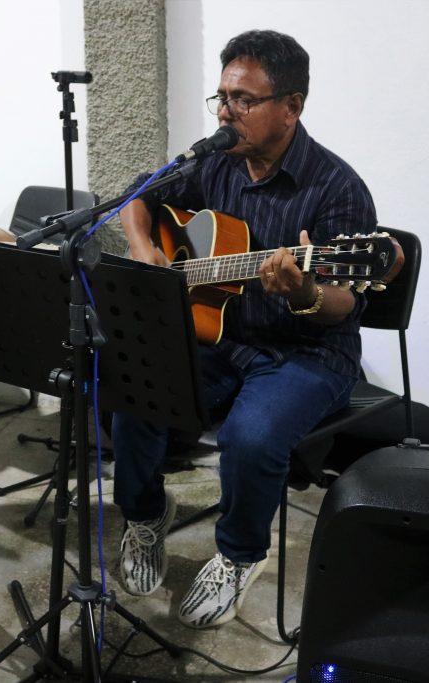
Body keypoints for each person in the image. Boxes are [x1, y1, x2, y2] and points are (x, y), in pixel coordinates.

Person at [112, 29, 379, 629]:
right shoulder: (216, 161)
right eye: (223, 97)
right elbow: (138, 194)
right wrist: (144, 248)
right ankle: (146, 515)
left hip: (308, 352)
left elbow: (344, 303)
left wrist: (305, 291)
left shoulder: (337, 188)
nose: (226, 112)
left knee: (251, 437)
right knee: (135, 389)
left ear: (292, 106)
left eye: (244, 100)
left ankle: (239, 555)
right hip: (222, 337)